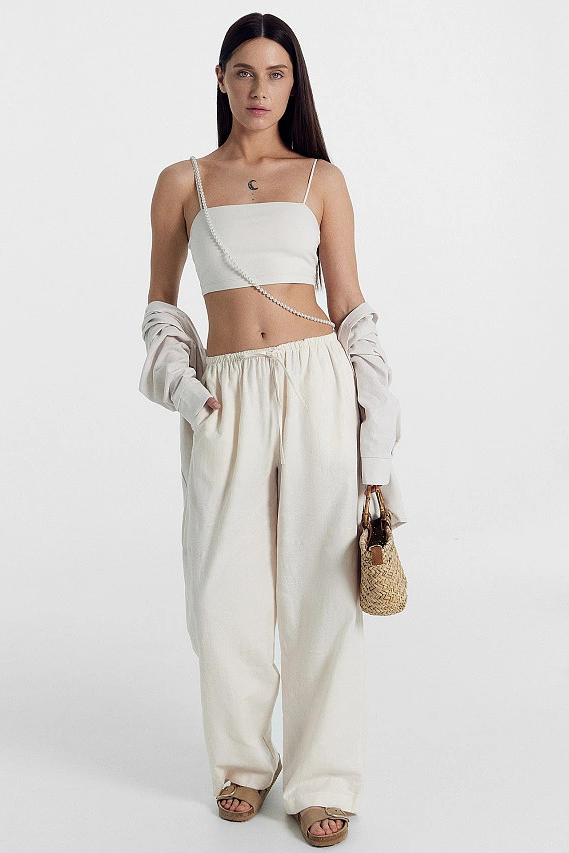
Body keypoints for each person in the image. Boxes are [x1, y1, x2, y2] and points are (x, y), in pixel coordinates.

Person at [139, 12, 407, 847]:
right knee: (224, 591)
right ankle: (242, 764)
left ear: (295, 84)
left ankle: (323, 778)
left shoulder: (321, 178)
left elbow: (349, 303)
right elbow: (159, 307)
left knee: (322, 586)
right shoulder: (181, 182)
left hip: (316, 383)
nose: (260, 89)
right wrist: (187, 391)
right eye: (245, 72)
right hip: (227, 398)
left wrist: (376, 429)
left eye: (277, 73)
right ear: (220, 78)